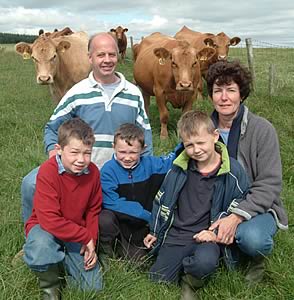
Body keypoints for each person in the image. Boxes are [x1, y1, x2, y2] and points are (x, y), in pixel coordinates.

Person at [21, 32, 152, 224]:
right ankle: (35, 234)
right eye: (100, 55)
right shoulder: (77, 92)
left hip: (120, 171)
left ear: (118, 56)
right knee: (30, 183)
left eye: (112, 54)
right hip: (81, 170)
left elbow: (145, 135)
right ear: (90, 57)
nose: (107, 60)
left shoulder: (133, 93)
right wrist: (52, 152)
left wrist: (144, 172)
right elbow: (51, 127)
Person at [144, 111, 250, 299]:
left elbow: (240, 202)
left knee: (204, 262)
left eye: (201, 143)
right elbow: (162, 200)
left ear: (215, 136)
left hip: (206, 235)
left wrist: (214, 233)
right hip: (178, 233)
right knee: (157, 280)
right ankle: (179, 262)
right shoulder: (178, 168)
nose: (196, 150)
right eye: (189, 145)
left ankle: (191, 279)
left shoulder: (232, 170)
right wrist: (154, 230)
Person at [206, 60, 288, 284]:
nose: (224, 97)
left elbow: (269, 184)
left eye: (231, 90)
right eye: (217, 90)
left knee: (251, 238)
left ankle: (256, 257)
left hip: (257, 206)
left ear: (241, 94)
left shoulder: (262, 129)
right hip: (214, 203)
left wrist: (236, 216)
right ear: (211, 95)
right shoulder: (203, 129)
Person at [23, 118, 103, 299]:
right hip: (45, 228)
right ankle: (50, 288)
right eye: (74, 152)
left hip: (75, 229)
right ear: (59, 150)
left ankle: (61, 258)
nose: (81, 160)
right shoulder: (47, 171)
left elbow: (93, 209)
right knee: (42, 245)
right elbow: (49, 220)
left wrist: (90, 239)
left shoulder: (93, 173)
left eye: (87, 153)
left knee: (92, 288)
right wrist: (84, 236)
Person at [99, 123, 181, 263]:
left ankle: (139, 248)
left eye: (133, 152)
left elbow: (173, 158)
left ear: (143, 149)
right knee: (103, 219)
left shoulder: (151, 164)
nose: (127, 157)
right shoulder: (108, 171)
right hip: (122, 223)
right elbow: (112, 202)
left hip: (144, 227)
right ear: (113, 147)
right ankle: (108, 251)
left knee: (144, 261)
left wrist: (186, 142)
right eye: (122, 152)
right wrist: (147, 216)